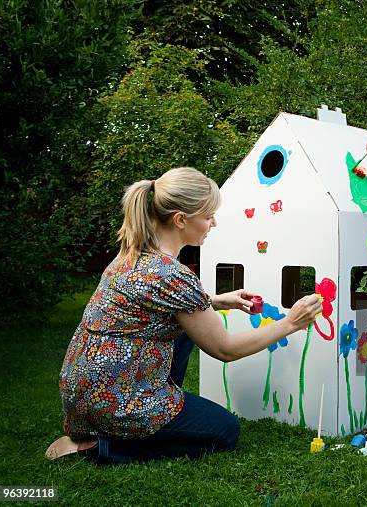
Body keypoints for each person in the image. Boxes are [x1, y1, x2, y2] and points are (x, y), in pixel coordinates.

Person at [46, 167, 321, 464]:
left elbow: (152, 307)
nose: (213, 223)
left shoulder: (129, 254)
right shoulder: (171, 276)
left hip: (82, 390)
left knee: (185, 333)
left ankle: (138, 419)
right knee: (226, 431)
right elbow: (225, 349)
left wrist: (213, 301)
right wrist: (291, 323)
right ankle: (105, 447)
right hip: (116, 400)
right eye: (207, 216)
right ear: (180, 220)